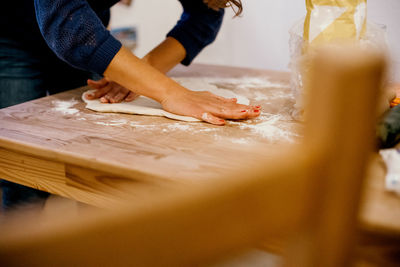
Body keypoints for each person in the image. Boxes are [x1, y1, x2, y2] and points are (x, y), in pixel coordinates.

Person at [0, 0, 260, 211]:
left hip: (83, 25)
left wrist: (144, 73)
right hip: (11, 34)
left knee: (92, 164)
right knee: (22, 179)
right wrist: (171, 93)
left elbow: (206, 13)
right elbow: (68, 25)